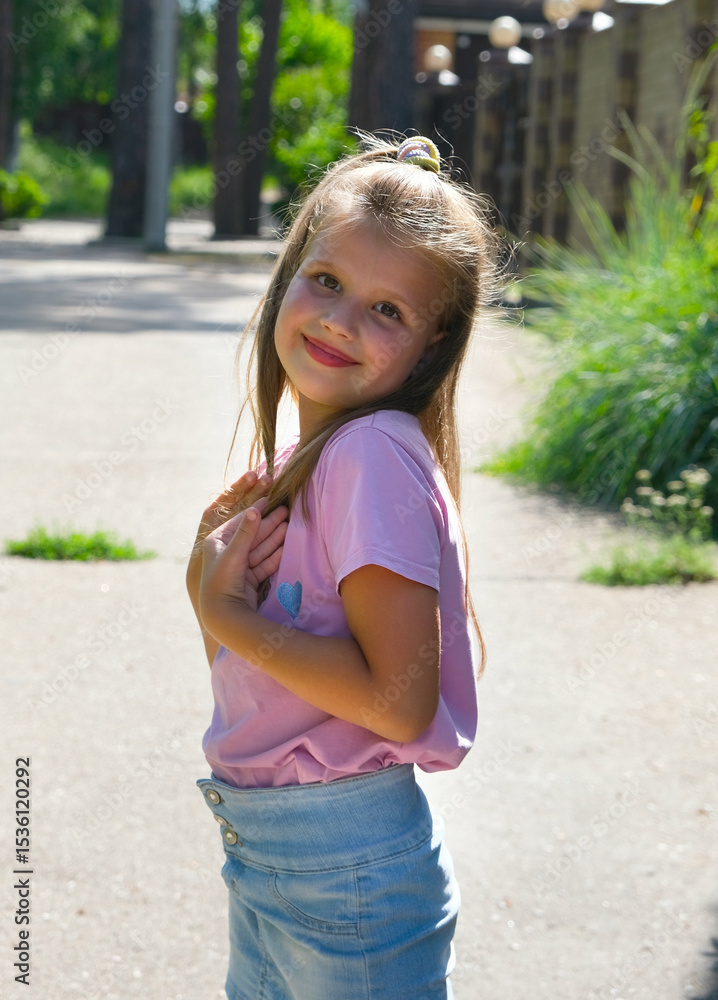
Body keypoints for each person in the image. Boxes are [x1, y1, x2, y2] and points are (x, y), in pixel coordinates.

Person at [186, 133, 509, 1000]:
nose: (339, 320)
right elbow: (262, 683)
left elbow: (396, 702)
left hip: (347, 874)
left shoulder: (372, 454)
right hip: (276, 853)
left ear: (431, 347)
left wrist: (228, 615)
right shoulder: (308, 461)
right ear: (289, 273)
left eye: (387, 310)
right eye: (326, 281)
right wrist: (208, 583)